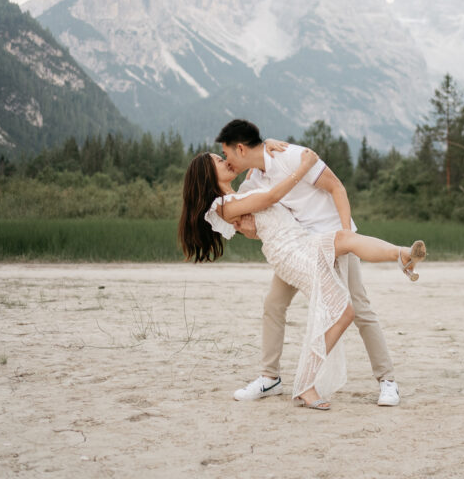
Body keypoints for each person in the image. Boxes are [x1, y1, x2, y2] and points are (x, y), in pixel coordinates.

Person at [179, 144, 426, 410]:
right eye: (219, 159)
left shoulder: (247, 187)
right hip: (292, 253)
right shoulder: (227, 206)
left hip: (310, 239)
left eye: (226, 154)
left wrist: (268, 141)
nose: (226, 159)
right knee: (334, 311)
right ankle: (281, 379)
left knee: (349, 269)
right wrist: (304, 166)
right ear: (207, 173)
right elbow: (271, 199)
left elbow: (255, 164)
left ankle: (402, 256)